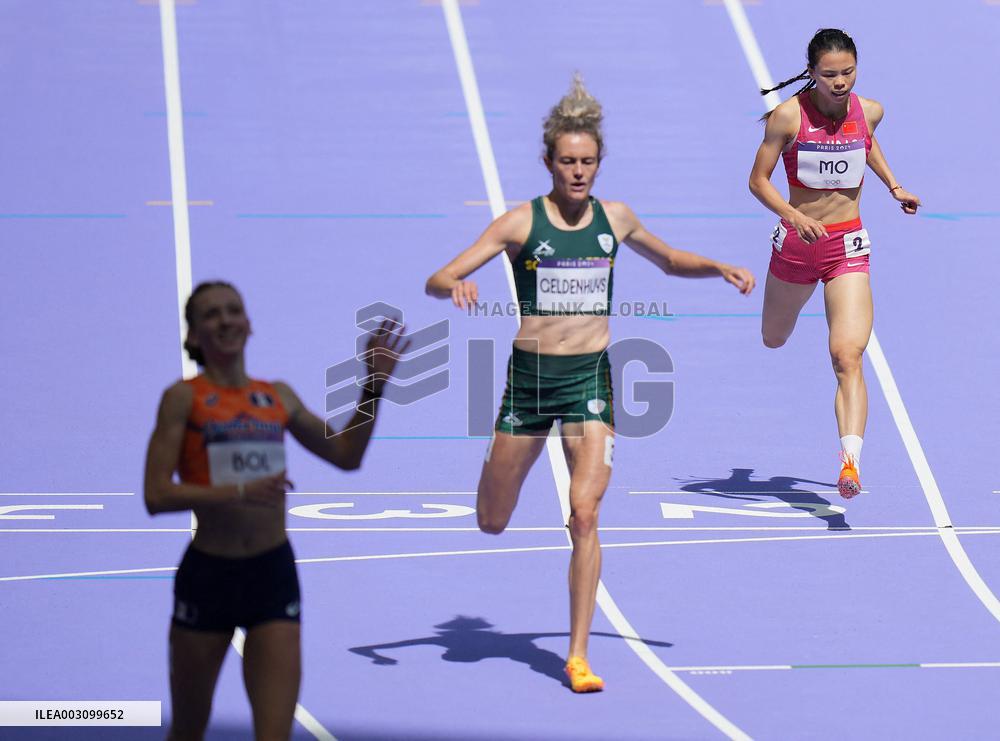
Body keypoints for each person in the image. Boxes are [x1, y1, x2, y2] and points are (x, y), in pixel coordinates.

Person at [425, 75, 755, 692]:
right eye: (568, 162)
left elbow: (668, 259)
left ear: (599, 162)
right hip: (529, 385)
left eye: (588, 162)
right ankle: (496, 481)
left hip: (589, 383)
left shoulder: (616, 218)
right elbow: (438, 277)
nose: (578, 173)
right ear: (548, 161)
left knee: (585, 512)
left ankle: (576, 656)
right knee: (492, 521)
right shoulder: (519, 224)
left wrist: (716, 267)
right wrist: (457, 286)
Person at [144, 281, 406, 740]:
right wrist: (237, 491)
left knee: (274, 734)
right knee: (188, 728)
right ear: (193, 336)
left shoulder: (278, 397)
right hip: (208, 577)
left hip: (271, 574)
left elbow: (346, 455)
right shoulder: (182, 399)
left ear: (249, 325)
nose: (225, 320)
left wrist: (373, 386)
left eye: (233, 311)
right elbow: (156, 495)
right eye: (211, 314)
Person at [748, 28, 920, 499]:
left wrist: (894, 186)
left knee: (846, 355)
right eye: (830, 75)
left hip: (847, 245)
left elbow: (866, 143)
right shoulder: (787, 118)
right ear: (811, 74)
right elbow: (758, 181)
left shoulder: (871, 111)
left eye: (847, 72)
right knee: (773, 338)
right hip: (798, 245)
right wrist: (792, 215)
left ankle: (849, 463)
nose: (840, 82)